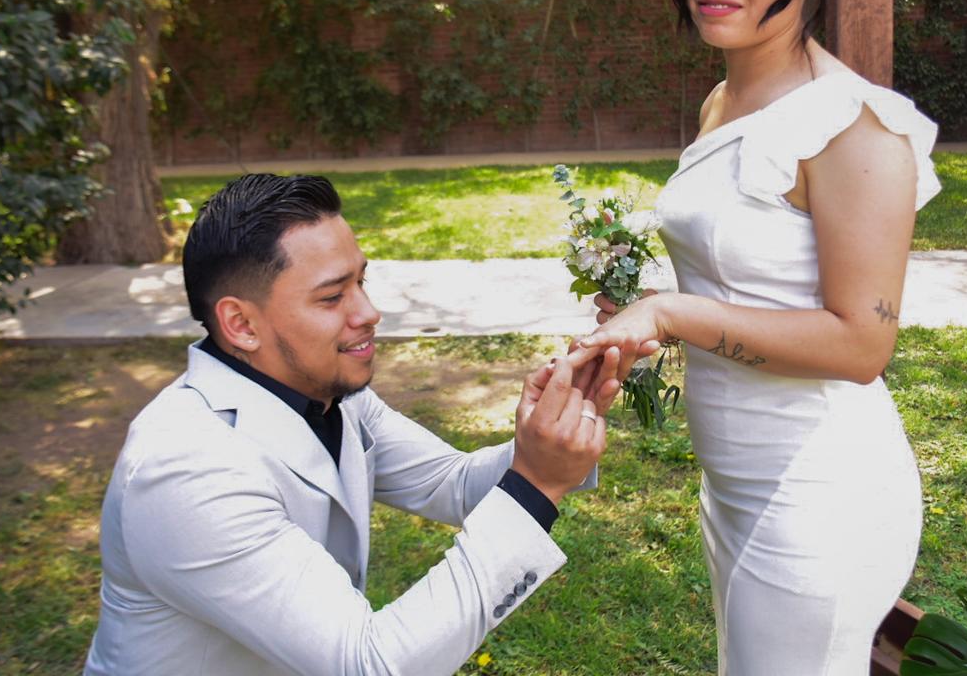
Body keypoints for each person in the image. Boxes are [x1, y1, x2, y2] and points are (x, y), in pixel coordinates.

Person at [581, 0, 941, 675]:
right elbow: (753, 282)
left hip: (819, 489)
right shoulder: (725, 99)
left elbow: (862, 345)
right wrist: (647, 309)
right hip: (736, 482)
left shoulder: (855, 128)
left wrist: (675, 313)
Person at [82, 173, 643, 676]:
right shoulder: (184, 472)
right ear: (241, 324)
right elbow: (369, 662)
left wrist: (556, 426)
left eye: (361, 282)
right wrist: (536, 484)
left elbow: (449, 482)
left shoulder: (328, 392)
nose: (369, 313)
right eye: (332, 297)